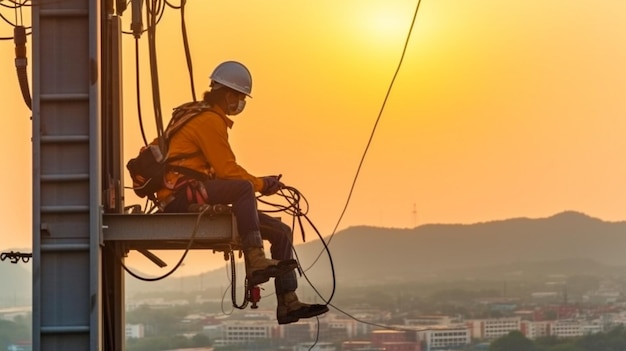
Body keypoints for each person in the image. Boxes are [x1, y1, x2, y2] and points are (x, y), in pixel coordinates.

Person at [155, 60, 329, 324]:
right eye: (239, 97)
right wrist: (261, 184)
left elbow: (225, 173)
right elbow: (228, 172)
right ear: (228, 95)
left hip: (196, 189)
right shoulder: (208, 120)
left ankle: (288, 303)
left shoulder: (202, 116)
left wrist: (259, 183)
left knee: (282, 232)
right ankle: (257, 259)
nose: (240, 103)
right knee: (244, 189)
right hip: (181, 195)